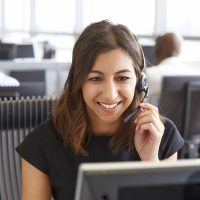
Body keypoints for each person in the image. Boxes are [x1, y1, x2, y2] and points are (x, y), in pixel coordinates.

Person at [16, 20, 184, 200]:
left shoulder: (161, 136)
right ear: (78, 82)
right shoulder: (41, 144)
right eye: (95, 79)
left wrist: (151, 162)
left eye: (122, 78)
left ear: (139, 82)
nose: (110, 95)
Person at [146, 33, 200, 104]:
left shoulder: (148, 74)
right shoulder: (197, 75)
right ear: (179, 50)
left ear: (159, 50)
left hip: (156, 115)